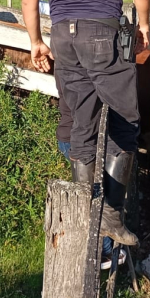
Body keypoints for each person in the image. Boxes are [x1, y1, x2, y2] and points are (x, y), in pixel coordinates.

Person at [22, 0, 150, 247]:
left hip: (63, 36)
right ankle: (111, 217)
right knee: (126, 121)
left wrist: (36, 41)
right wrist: (143, 24)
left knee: (81, 121)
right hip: (103, 32)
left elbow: (30, 0)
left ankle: (84, 216)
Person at [56, 80, 126, 270]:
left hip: (69, 137)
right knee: (96, 194)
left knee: (93, 192)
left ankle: (101, 247)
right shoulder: (87, 69)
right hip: (82, 143)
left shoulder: (66, 63)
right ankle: (103, 251)